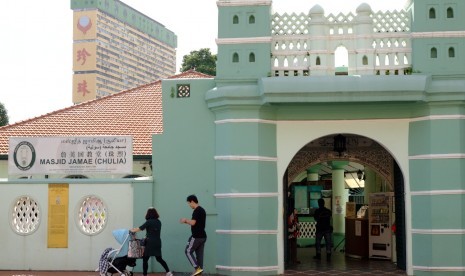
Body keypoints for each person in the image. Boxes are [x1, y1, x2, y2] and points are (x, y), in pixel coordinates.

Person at [131, 207, 173, 276]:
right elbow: (151, 230)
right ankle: (168, 272)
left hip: (150, 243)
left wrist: (132, 230)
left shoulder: (149, 222)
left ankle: (145, 274)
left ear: (148, 214)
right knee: (159, 259)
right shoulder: (159, 222)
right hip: (157, 242)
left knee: (145, 259)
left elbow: (140, 228)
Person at [179, 195, 207, 276]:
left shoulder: (197, 210)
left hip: (197, 236)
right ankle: (199, 272)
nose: (189, 205)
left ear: (192, 201)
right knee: (199, 256)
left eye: (189, 203)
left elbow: (193, 222)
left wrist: (185, 220)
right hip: (203, 237)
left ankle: (197, 269)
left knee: (188, 251)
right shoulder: (202, 210)